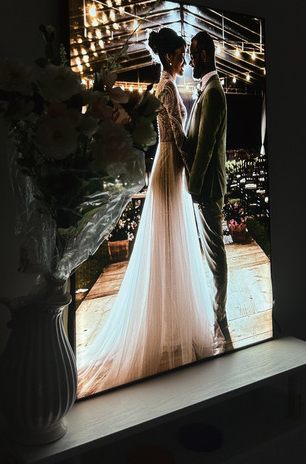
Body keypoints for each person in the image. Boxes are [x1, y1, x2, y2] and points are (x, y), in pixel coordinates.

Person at [77, 28, 223, 398]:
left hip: (166, 165)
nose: (184, 60)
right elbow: (180, 138)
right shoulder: (168, 88)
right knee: (170, 248)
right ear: (171, 55)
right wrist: (195, 174)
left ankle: (170, 324)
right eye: (181, 54)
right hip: (170, 166)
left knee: (170, 248)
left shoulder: (164, 86)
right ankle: (170, 330)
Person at [185, 31, 233, 350]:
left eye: (193, 53)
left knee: (216, 255)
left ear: (204, 55)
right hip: (205, 187)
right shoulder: (207, 90)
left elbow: (204, 148)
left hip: (208, 188)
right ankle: (217, 312)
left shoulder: (214, 92)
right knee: (212, 252)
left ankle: (221, 316)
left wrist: (195, 188)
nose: (190, 59)